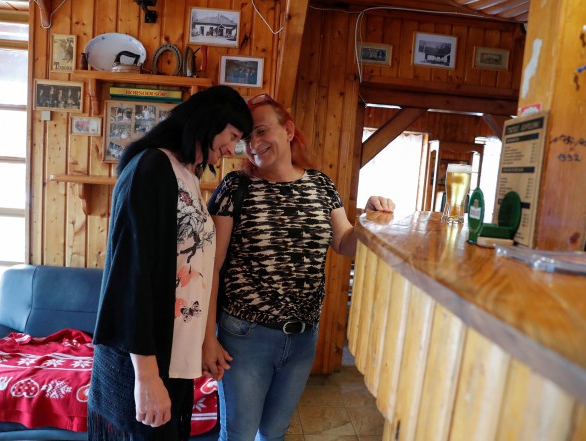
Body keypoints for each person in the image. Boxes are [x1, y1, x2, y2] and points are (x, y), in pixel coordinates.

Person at [203, 93, 395, 441]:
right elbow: (210, 267)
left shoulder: (321, 186)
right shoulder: (236, 186)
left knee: (275, 433)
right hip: (244, 337)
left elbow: (345, 242)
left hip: (303, 338)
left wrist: (369, 217)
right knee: (239, 435)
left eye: (262, 131)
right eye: (247, 139)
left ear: (288, 129)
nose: (255, 144)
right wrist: (207, 340)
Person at [88, 85, 253, 441]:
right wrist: (146, 377)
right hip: (146, 359)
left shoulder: (187, 176)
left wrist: (205, 341)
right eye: (232, 135)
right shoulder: (152, 167)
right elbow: (132, 274)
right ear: (210, 119)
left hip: (174, 356)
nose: (231, 148)